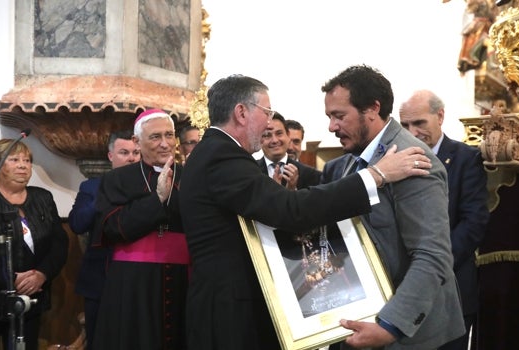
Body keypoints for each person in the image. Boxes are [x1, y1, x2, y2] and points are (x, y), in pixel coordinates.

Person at [178, 73, 433, 350]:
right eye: (267, 112)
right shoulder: (221, 156)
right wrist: (376, 175)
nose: (269, 124)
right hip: (228, 311)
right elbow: (291, 210)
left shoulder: (216, 152)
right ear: (241, 112)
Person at [321, 65, 465, 349]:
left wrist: (390, 325)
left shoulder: (413, 159)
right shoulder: (353, 159)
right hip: (365, 320)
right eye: (329, 117)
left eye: (339, 116)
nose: (331, 127)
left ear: (373, 109)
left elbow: (432, 255)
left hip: (408, 334)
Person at [399, 89, 489, 350]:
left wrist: (432, 264)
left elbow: (474, 222)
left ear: (440, 116)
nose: (412, 132)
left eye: (419, 123)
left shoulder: (466, 158)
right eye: (405, 125)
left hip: (452, 287)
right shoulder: (397, 159)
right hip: (407, 293)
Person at [92, 109, 190, 350]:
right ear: (137, 142)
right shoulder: (117, 179)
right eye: (156, 137)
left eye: (170, 135)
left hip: (185, 280)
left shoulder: (192, 176)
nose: (165, 143)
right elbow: (111, 228)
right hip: (133, 282)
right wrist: (156, 199)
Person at [0, 138, 68, 350]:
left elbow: (59, 243)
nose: (23, 165)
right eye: (14, 159)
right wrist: (11, 279)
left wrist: (41, 274)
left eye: (27, 160)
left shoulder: (42, 198)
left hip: (30, 299)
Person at [68, 129, 140, 350]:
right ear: (111, 156)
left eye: (136, 152)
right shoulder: (92, 187)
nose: (131, 158)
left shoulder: (151, 186)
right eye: (124, 152)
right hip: (100, 279)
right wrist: (103, 195)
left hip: (139, 279)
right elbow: (77, 223)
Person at [257, 112, 321, 189]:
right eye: (267, 135)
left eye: (279, 133)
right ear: (259, 139)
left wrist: (292, 192)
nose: (274, 140)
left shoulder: (311, 175)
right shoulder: (250, 171)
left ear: (287, 135)